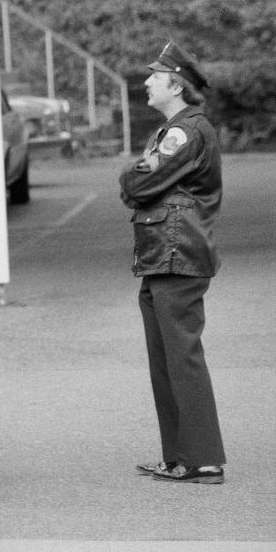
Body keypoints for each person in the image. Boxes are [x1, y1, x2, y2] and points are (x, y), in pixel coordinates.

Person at [119, 41, 226, 484]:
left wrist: (134, 174)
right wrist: (138, 175)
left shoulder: (185, 131)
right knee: (166, 360)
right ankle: (182, 455)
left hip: (176, 254)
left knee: (181, 358)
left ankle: (202, 458)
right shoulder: (176, 129)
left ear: (177, 86)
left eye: (156, 77)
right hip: (164, 254)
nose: (146, 82)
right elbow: (142, 181)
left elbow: (139, 186)